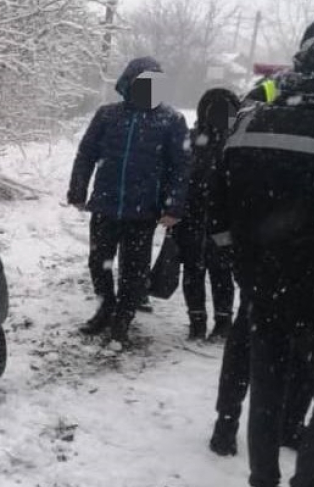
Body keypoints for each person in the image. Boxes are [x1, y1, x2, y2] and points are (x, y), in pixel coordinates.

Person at [214, 30, 314, 487]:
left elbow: (218, 207)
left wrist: (244, 266)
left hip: (263, 287)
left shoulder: (249, 120)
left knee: (267, 389)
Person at [67, 57, 187, 345]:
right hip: (106, 206)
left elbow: (180, 168)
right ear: (128, 84)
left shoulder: (171, 120)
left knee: (134, 271)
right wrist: (77, 191)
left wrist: (174, 207)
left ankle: (122, 319)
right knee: (99, 263)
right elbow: (86, 155)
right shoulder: (107, 115)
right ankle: (105, 308)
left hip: (143, 212)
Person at [176, 89, 237, 341]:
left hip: (221, 220)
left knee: (218, 271)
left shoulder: (235, 143)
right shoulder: (192, 140)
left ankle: (221, 322)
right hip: (195, 217)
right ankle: (198, 320)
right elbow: (176, 174)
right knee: (196, 270)